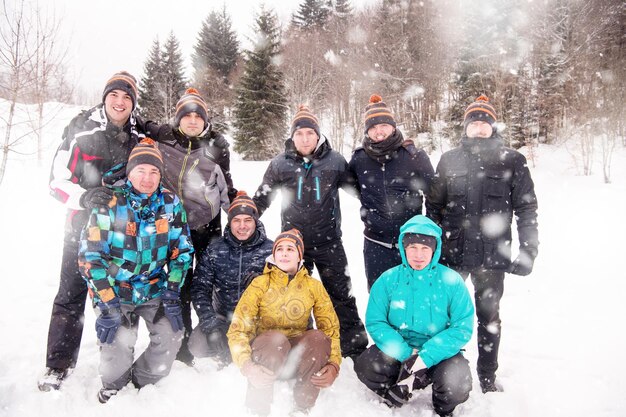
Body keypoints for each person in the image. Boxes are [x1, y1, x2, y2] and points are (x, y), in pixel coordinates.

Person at [426, 95, 539, 393]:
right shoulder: (449, 159)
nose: (478, 128)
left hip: (492, 256)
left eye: (483, 123)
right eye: (473, 123)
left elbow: (527, 209)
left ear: (492, 127)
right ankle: (441, 372)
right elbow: (434, 207)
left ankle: (487, 377)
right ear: (465, 128)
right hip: (452, 253)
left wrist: (529, 251)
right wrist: (432, 247)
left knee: (488, 318)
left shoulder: (512, 160)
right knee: (443, 314)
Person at [40, 71, 145, 391]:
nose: (120, 101)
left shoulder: (139, 135)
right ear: (105, 98)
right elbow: (55, 183)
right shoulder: (81, 130)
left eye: (127, 97)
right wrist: (83, 197)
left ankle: (115, 363)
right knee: (70, 296)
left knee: (117, 298)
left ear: (133, 103)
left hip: (118, 234)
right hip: (80, 229)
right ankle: (57, 365)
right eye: (114, 95)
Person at [77, 139, 193, 403]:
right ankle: (116, 381)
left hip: (153, 288)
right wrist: (108, 305)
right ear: (129, 173)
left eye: (154, 172)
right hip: (115, 290)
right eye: (141, 170)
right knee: (117, 351)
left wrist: (173, 291)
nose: (148, 178)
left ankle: (143, 379)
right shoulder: (110, 203)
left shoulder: (170, 203)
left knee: (172, 335)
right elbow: (90, 258)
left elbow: (182, 251)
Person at [252, 105, 367, 360]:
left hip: (329, 242)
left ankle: (354, 347)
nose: (305, 138)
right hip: (293, 246)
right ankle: (300, 345)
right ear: (293, 137)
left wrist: (380, 208)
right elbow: (263, 196)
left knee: (341, 294)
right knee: (292, 297)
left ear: (318, 135)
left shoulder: (335, 161)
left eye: (309, 133)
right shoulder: (280, 164)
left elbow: (359, 190)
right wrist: (246, 218)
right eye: (299, 133)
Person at [142, 87, 232, 365]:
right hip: (171, 226)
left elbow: (226, 184)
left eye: (198, 116)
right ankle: (181, 345)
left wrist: (243, 214)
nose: (192, 121)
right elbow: (136, 121)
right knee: (179, 283)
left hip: (207, 225)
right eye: (187, 116)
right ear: (178, 119)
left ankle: (218, 338)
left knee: (211, 282)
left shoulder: (218, 145)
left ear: (205, 121)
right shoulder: (163, 138)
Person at [354, 215, 474, 417]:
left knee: (457, 382)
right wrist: (406, 354)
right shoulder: (388, 279)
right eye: (413, 248)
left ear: (434, 250)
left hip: (439, 354)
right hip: (401, 351)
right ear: (403, 248)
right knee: (367, 366)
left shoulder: (451, 281)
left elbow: (462, 327)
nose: (418, 255)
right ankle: (398, 389)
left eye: (425, 248)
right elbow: (376, 322)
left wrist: (426, 357)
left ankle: (441, 406)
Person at [227, 229, 341, 416]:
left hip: (299, 361)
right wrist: (247, 365)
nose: (285, 253)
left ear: (300, 256)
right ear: (274, 255)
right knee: (275, 340)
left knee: (318, 338)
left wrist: (334, 364)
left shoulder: (313, 286)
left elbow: (330, 328)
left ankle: (302, 408)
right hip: (268, 357)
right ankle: (257, 409)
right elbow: (238, 329)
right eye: (280, 249)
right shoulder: (260, 284)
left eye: (290, 249)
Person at [348, 94, 434, 290]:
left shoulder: (414, 156)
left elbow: (435, 195)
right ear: (367, 131)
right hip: (375, 242)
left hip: (411, 244)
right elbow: (351, 185)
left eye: (384, 126)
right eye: (373, 128)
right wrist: (370, 210)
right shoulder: (359, 159)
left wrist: (427, 230)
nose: (379, 132)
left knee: (413, 297)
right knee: (379, 296)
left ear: (393, 127)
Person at [188, 191, 274, 365]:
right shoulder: (215, 249)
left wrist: (263, 285)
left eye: (247, 220)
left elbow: (286, 290)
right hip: (224, 319)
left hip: (258, 322)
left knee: (270, 349)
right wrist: (210, 324)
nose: (242, 226)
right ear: (230, 222)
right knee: (197, 345)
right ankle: (226, 347)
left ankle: (248, 352)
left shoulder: (270, 251)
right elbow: (199, 289)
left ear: (255, 221)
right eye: (237, 220)